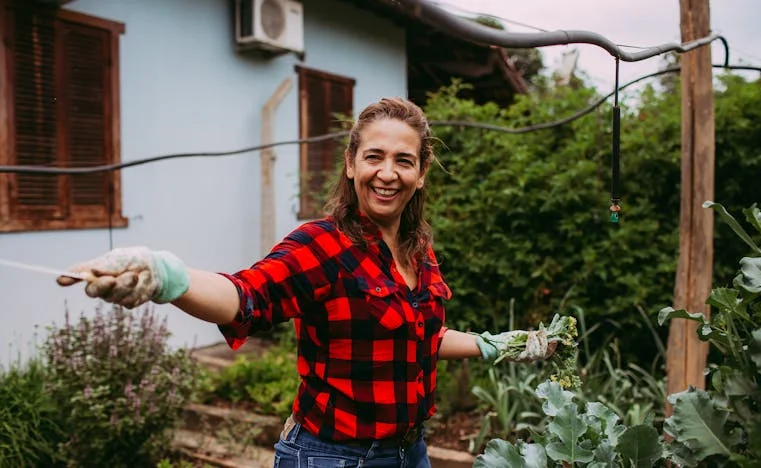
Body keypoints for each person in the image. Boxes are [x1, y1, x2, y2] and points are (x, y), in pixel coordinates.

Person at [57, 97, 554, 468]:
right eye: (374, 157)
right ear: (351, 163)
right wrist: (168, 275)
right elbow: (247, 295)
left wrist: (501, 345)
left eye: (403, 161)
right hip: (332, 458)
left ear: (421, 173)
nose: (387, 173)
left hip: (411, 453)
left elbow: (420, 337)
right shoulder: (323, 245)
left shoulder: (419, 250)